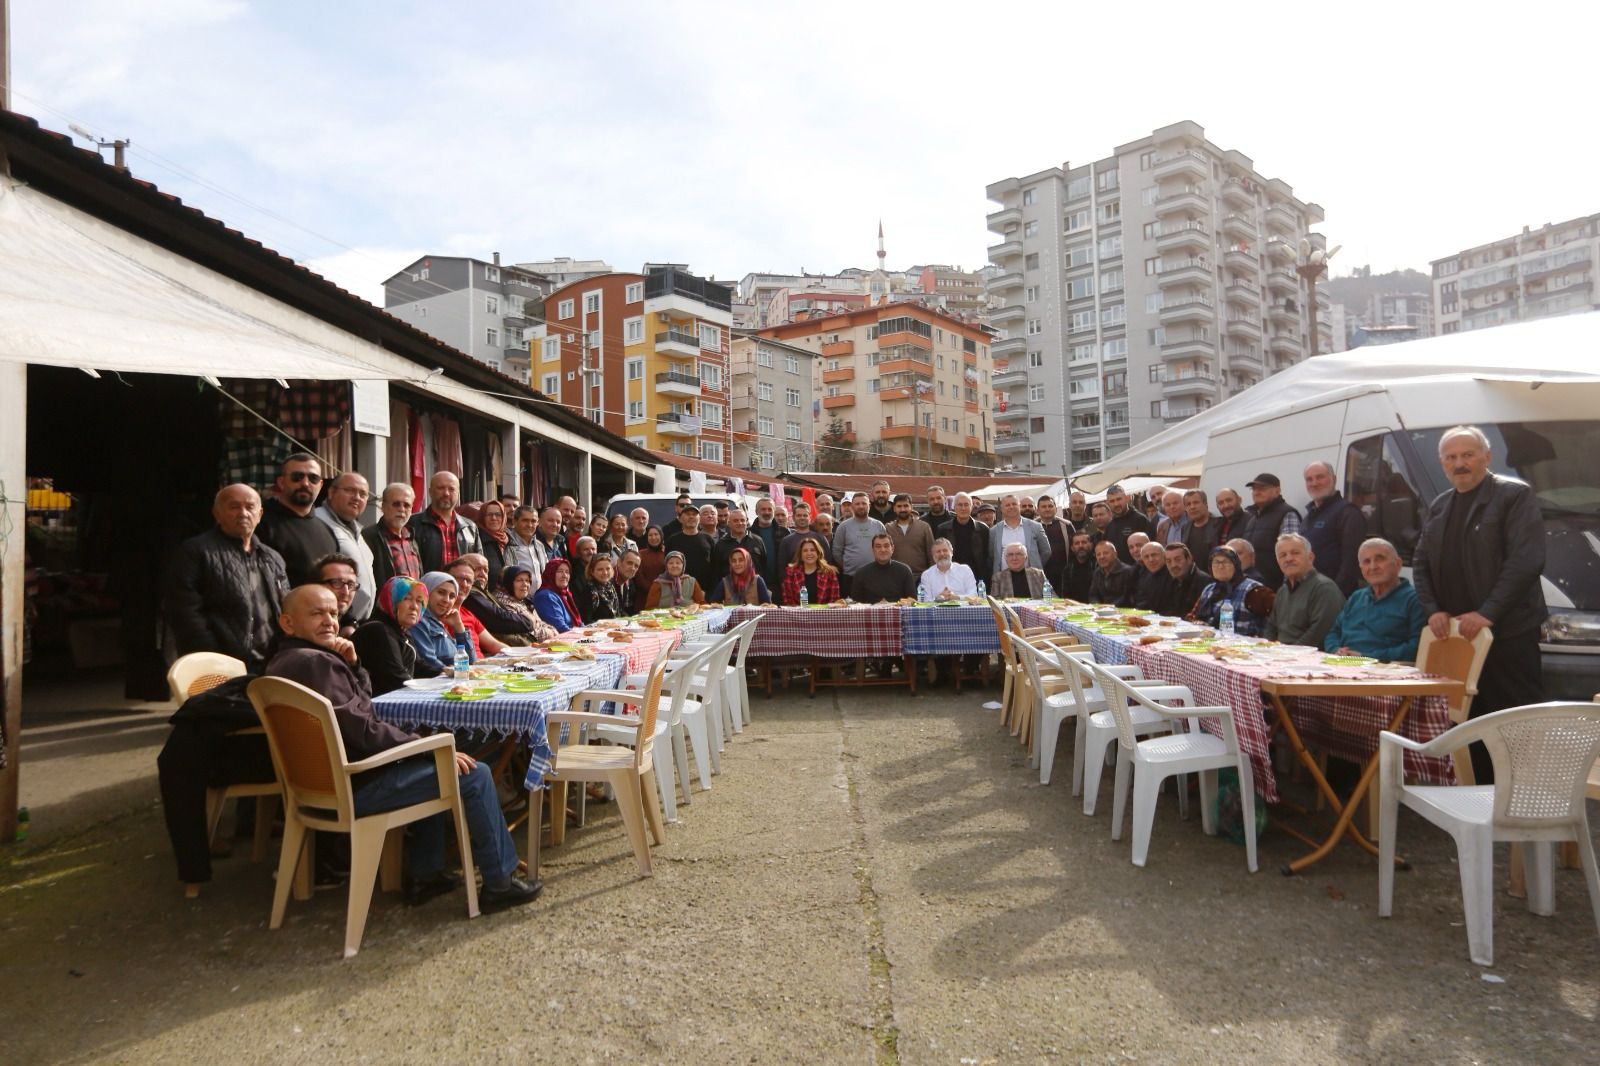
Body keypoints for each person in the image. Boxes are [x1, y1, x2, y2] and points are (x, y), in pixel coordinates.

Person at [266, 585, 541, 910]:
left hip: (316, 787)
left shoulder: (284, 663)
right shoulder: (316, 664)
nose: (329, 621)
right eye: (316, 613)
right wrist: (428, 747)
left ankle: (427, 874)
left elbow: (359, 711)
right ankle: (500, 882)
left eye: (333, 613)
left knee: (434, 763)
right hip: (356, 785)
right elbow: (365, 729)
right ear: (287, 623)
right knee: (472, 772)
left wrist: (353, 666)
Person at [1412, 425, 1547, 783]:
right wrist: (1434, 610)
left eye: (1468, 455)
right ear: (1442, 464)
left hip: (1507, 633)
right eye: (1452, 457)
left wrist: (1488, 612)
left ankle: (1522, 799)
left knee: (1513, 719)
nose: (1460, 463)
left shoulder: (1513, 495)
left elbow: (1525, 561)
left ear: (1487, 457)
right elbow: (1421, 564)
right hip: (1458, 638)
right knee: (1469, 719)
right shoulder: (1440, 506)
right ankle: (1481, 798)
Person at [166, 484, 289, 673]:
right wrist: (211, 658)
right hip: (220, 664)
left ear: (260, 513)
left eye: (250, 507)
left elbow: (285, 606)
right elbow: (184, 612)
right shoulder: (196, 551)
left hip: (270, 662)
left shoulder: (272, 558)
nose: (243, 513)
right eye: (234, 507)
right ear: (217, 513)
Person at [1324, 538, 1427, 662]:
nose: (1373, 567)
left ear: (1398, 564)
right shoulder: (1357, 597)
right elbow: (1334, 633)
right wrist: (1335, 650)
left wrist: (1366, 657)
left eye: (1380, 559)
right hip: (1344, 664)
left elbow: (1417, 647)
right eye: (1367, 562)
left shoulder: (1415, 599)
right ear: (1361, 569)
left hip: (1386, 671)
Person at [256, 452, 340, 586]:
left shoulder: (327, 530)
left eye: (313, 478)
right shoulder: (260, 524)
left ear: (321, 484)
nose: (305, 483)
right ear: (281, 483)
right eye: (297, 477)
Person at [351, 576, 439, 696]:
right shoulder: (379, 630)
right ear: (390, 600)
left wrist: (447, 672)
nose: (414, 606)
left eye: (419, 601)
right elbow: (396, 679)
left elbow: (418, 667)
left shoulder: (401, 630)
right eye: (406, 598)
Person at [314, 472, 376, 622]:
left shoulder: (358, 531)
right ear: (331, 492)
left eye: (363, 494)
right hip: (332, 621)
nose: (357, 497)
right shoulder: (318, 523)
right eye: (350, 490)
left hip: (358, 623)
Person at [1265, 533, 1345, 649]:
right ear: (1278, 563)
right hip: (1280, 655)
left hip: (1308, 660)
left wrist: (1289, 654)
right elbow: (1271, 627)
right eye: (1283, 555)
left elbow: (1319, 633)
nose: (1288, 559)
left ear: (1310, 557)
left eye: (1295, 553)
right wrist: (1267, 649)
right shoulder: (1283, 591)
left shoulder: (1324, 588)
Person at [1302, 461, 1366, 595]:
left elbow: (1351, 562)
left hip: (1335, 597)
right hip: (1311, 594)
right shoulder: (1309, 517)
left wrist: (1335, 596)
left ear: (1334, 479)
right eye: (1309, 479)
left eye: (1320, 477)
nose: (1314, 483)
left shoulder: (1348, 513)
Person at [451, 553, 538, 646]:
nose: (482, 574)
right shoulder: (471, 594)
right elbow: (499, 619)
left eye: (485, 570)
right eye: (476, 569)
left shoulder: (484, 593)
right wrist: (529, 621)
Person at [409, 471, 483, 574]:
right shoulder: (413, 524)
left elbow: (480, 566)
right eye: (440, 488)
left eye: (451, 489)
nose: (446, 493)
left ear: (458, 493)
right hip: (428, 588)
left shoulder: (470, 527)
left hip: (463, 588)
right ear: (430, 492)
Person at [1241, 472, 1301, 587]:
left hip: (1275, 589)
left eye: (1262, 488)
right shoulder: (1253, 519)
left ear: (1277, 491)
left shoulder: (1287, 514)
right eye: (1253, 489)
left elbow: (1292, 557)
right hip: (1254, 589)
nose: (1256, 492)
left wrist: (1288, 590)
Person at [1191, 546, 1268, 635]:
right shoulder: (1209, 589)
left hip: (1243, 645)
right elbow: (1193, 616)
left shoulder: (1253, 588)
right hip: (1209, 643)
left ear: (1236, 565)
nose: (1220, 566)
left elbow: (1269, 624)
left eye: (1225, 562)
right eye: (1216, 562)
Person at [408, 572, 476, 672]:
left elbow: (471, 661)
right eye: (441, 592)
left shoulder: (438, 623)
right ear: (426, 592)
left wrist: (459, 627)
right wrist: (455, 673)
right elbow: (429, 661)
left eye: (452, 596)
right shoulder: (418, 621)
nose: (446, 600)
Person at [364, 482, 423, 589]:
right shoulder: (368, 537)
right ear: (383, 507)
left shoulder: (411, 538)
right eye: (396, 504)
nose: (401, 509)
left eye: (407, 505)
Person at [485, 564, 560, 644]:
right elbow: (523, 633)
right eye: (519, 580)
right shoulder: (503, 602)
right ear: (509, 582)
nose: (525, 584)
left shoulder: (522, 600)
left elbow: (539, 623)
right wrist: (550, 633)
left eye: (527, 580)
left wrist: (552, 631)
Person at [833, 492, 887, 595]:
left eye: (864, 503)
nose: (861, 506)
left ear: (869, 506)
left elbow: (885, 548)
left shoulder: (878, 525)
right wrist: (848, 565)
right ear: (852, 506)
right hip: (851, 577)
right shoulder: (843, 527)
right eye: (857, 504)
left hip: (876, 576)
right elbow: (837, 552)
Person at [987, 494, 1052, 574]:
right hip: (1004, 579)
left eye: (1014, 504)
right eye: (1007, 505)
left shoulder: (1035, 527)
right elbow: (992, 556)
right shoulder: (994, 531)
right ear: (1001, 509)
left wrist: (1036, 564)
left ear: (1019, 506)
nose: (1011, 507)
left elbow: (1046, 551)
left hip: (1031, 578)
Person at [851, 533, 918, 604]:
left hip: (898, 613)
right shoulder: (861, 573)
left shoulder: (904, 571)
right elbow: (856, 603)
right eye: (878, 546)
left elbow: (912, 600)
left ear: (892, 548)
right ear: (873, 550)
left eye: (886, 546)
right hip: (870, 614)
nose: (883, 550)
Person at [712, 506, 767, 588]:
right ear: (729, 523)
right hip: (730, 590)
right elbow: (716, 572)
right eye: (735, 521)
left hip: (754, 589)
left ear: (747, 522)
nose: (740, 523)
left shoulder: (757, 541)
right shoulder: (721, 545)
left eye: (742, 520)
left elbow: (764, 565)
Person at [664, 507, 716, 590]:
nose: (691, 517)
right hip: (679, 589)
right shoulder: (672, 540)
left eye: (694, 514)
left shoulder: (708, 539)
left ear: (699, 518)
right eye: (688, 514)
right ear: (680, 519)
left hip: (705, 589)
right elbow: (666, 566)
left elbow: (715, 565)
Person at [312, 552, 363, 638]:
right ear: (316, 585)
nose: (345, 592)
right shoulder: (302, 627)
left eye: (351, 585)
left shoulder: (352, 632)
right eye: (337, 583)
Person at [943, 493, 991, 582]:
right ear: (954, 507)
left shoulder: (983, 529)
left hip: (977, 576)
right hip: (951, 576)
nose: (963, 508)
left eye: (966, 505)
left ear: (971, 507)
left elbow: (987, 556)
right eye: (960, 505)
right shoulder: (943, 529)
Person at [1102, 483, 1153, 564]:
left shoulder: (1140, 520)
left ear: (1126, 498)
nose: (1116, 504)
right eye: (1112, 501)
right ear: (1107, 503)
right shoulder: (1109, 527)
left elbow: (1151, 549)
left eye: (1119, 499)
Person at [885, 493, 935, 574]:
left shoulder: (924, 527)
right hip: (896, 575)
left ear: (911, 507)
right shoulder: (888, 528)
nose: (903, 509)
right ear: (894, 508)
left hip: (920, 576)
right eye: (899, 506)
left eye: (906, 506)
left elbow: (931, 552)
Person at [781, 538, 841, 606]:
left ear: (818, 553)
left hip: (823, 614)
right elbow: (788, 600)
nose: (809, 553)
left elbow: (834, 600)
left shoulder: (830, 573)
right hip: (798, 614)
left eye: (812, 550)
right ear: (800, 555)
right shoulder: (790, 572)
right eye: (805, 551)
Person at [1035, 495, 1075, 592]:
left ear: (1056, 509)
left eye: (1050, 506)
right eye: (1044, 507)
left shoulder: (1067, 525)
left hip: (1063, 577)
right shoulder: (1031, 527)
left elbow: (1074, 549)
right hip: (1039, 577)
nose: (1047, 509)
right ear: (1037, 510)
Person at [775, 502, 828, 574]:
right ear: (793, 517)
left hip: (819, 582)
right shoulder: (786, 541)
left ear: (810, 517)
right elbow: (782, 567)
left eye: (805, 515)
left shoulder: (820, 538)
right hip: (795, 582)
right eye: (799, 515)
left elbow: (828, 562)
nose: (802, 518)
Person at [532, 558, 583, 631]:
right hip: (562, 639)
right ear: (550, 573)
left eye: (567, 572)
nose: (564, 575)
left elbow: (579, 623)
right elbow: (560, 628)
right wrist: (583, 636)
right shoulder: (545, 596)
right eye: (560, 571)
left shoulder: (565, 594)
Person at [475, 499, 514, 591]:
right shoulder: (477, 540)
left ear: (504, 517)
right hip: (488, 597)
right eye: (489, 514)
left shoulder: (511, 541)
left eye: (498, 514)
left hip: (510, 598)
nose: (494, 518)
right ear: (482, 517)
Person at [1161, 544, 1206, 619]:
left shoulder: (1204, 583)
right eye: (1168, 561)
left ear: (1189, 559)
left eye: (1178, 560)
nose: (1173, 565)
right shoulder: (1168, 580)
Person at [1087, 540, 1134, 606]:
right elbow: (1093, 595)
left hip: (1123, 611)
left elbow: (1127, 596)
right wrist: (1097, 606)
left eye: (1105, 553)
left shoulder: (1128, 571)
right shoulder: (1097, 572)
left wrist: (1110, 607)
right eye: (1098, 554)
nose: (1102, 557)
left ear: (1115, 554)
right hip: (1102, 611)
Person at [577, 554, 622, 623]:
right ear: (592, 572)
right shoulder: (589, 590)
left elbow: (619, 613)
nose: (605, 573)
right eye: (600, 569)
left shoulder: (612, 586)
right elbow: (586, 620)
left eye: (608, 568)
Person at [504, 505, 543, 581]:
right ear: (514, 521)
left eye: (533, 521)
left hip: (539, 592)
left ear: (538, 523)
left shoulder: (539, 545)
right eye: (525, 520)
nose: (529, 525)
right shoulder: (507, 543)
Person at [1181, 490, 1219, 565]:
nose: (1192, 507)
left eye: (1196, 502)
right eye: (1188, 504)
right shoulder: (1185, 528)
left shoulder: (1219, 524)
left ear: (1205, 504)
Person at [1130, 542, 1171, 611]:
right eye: (1146, 557)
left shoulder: (1174, 575)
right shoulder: (1143, 577)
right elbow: (1141, 603)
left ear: (1164, 555)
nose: (1151, 560)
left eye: (1154, 555)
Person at [751, 496, 783, 586]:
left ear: (774, 511)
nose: (767, 512)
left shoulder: (784, 533)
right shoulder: (748, 534)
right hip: (756, 584)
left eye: (770, 509)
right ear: (756, 512)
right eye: (763, 509)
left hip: (779, 584)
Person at [530, 506, 568, 571]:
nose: (555, 524)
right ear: (539, 522)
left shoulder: (561, 541)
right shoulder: (532, 542)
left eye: (558, 522)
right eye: (550, 520)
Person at [1061, 531, 1096, 602]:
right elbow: (1066, 596)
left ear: (1091, 545)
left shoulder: (1098, 566)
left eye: (1084, 542)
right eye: (1077, 543)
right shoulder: (1068, 569)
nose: (1080, 546)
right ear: (1072, 548)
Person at [634, 526, 668, 596]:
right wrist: (652, 590)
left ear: (661, 536)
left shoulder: (667, 553)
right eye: (650, 535)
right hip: (644, 595)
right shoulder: (641, 554)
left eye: (656, 534)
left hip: (665, 595)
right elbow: (639, 576)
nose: (653, 537)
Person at [613, 550, 644, 616]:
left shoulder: (631, 583)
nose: (633, 568)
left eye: (636, 566)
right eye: (629, 563)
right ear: (619, 562)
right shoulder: (607, 580)